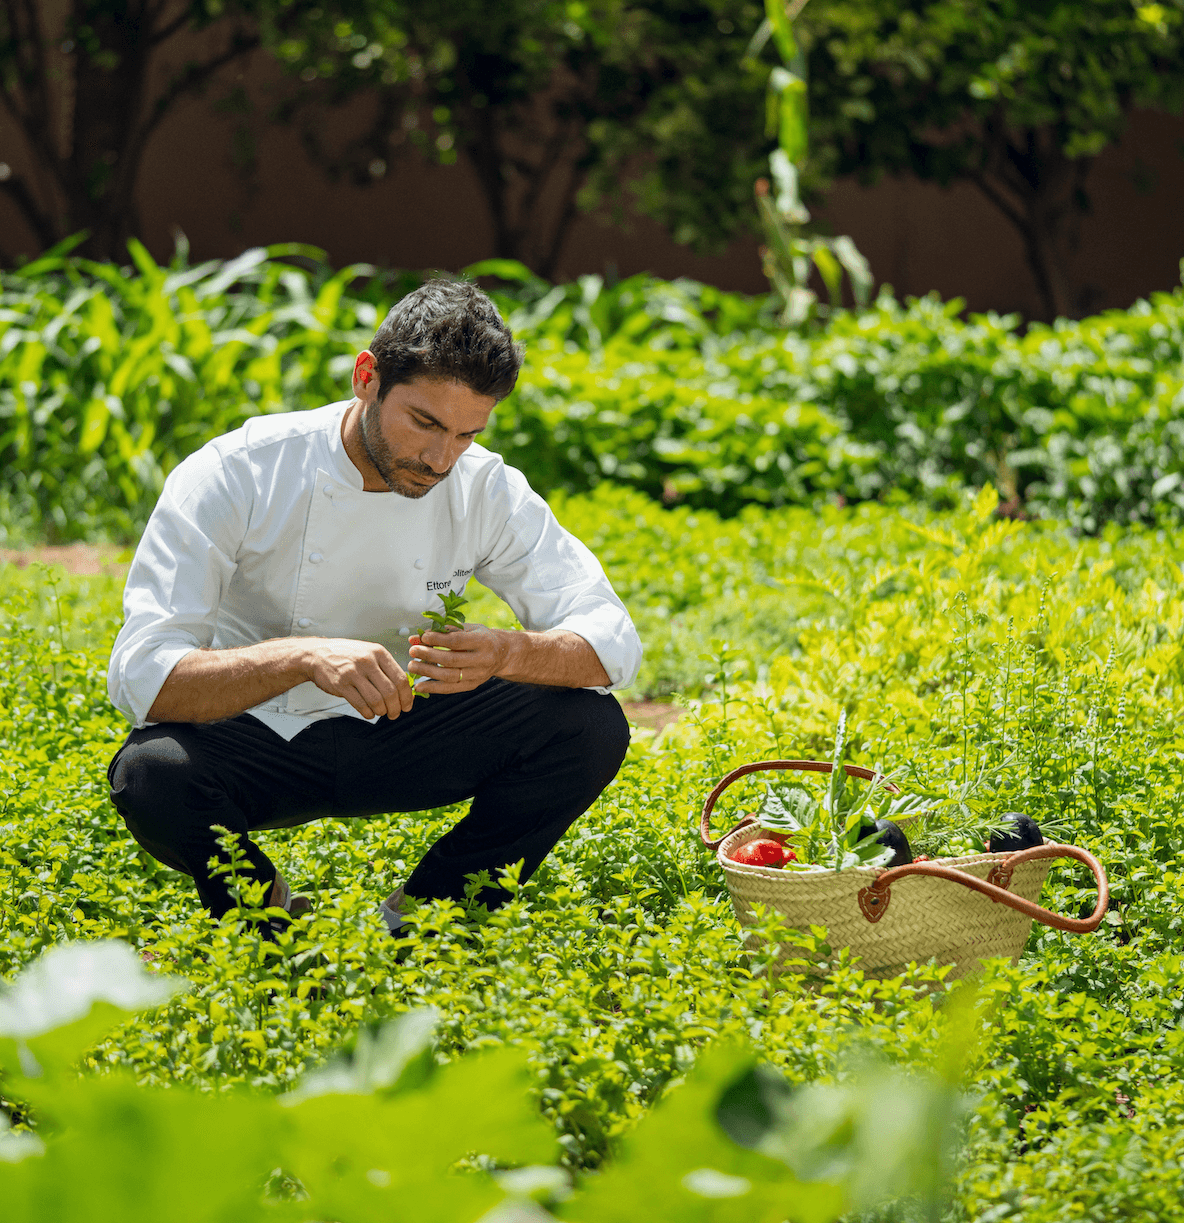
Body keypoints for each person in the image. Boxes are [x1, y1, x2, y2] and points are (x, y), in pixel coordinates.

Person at [106, 278, 641, 933]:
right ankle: (269, 916)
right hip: (256, 731)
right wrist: (302, 657)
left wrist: (510, 649)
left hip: (404, 724)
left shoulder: (485, 489)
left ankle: (429, 922)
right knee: (151, 775)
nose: (441, 458)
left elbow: (612, 639)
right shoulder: (238, 471)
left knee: (591, 727)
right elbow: (142, 676)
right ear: (368, 377)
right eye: (424, 423)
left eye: (467, 434)